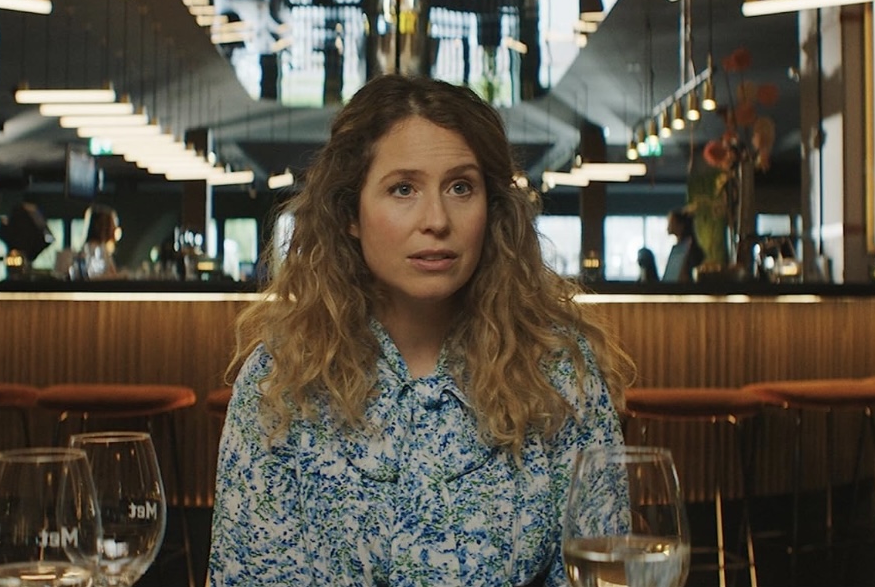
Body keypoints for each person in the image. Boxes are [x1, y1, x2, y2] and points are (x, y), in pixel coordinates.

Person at [207, 75, 635, 586]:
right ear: (350, 213)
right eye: (403, 188)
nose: (436, 219)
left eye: (460, 187)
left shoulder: (560, 370)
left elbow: (603, 572)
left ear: (492, 208)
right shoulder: (280, 379)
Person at [660, 209, 704, 283]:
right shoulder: (678, 249)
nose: (667, 227)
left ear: (680, 225)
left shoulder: (688, 249)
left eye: (671, 223)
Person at [78, 204, 121, 279]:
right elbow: (96, 276)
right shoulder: (95, 250)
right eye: (112, 223)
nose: (115, 227)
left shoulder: (102, 248)